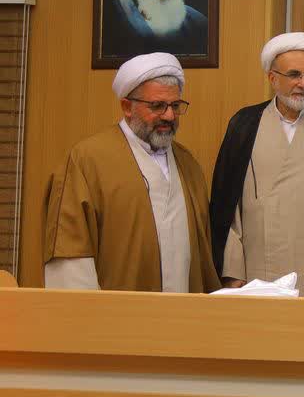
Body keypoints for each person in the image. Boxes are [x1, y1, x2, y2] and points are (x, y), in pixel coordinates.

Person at [42, 53, 220, 292]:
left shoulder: (188, 165)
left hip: (182, 312)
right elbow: (70, 257)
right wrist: (84, 314)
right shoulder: (87, 161)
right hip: (116, 313)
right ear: (127, 107)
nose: (169, 115)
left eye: (175, 106)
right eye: (157, 106)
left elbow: (203, 261)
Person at [209, 33, 304, 297]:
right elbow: (227, 206)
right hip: (257, 263)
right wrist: (232, 269)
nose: (303, 84)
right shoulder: (244, 124)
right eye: (294, 75)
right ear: (273, 78)